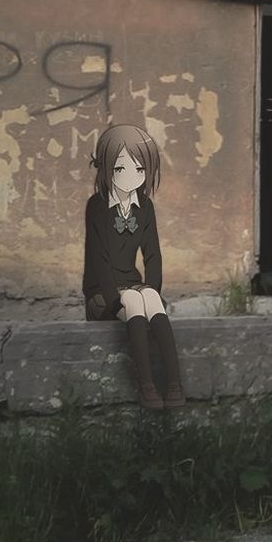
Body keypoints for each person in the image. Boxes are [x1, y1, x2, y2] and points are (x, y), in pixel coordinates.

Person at [82, 123, 184, 410]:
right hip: (102, 293)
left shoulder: (145, 207)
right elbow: (99, 259)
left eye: (139, 169)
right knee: (134, 301)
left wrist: (153, 288)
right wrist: (114, 301)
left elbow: (153, 254)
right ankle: (146, 386)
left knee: (148, 297)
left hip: (132, 284)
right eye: (121, 168)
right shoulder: (97, 206)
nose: (131, 176)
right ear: (107, 168)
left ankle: (175, 385)